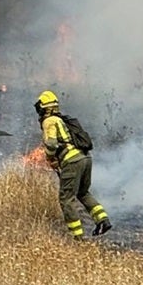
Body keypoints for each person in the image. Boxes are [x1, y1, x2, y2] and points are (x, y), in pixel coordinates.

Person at [35, 91, 111, 239]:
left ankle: (77, 237)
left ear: (43, 108)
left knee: (66, 199)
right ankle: (103, 220)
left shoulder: (49, 121)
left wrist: (51, 158)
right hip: (85, 158)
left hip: (72, 161)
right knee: (83, 192)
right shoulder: (62, 120)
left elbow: (51, 143)